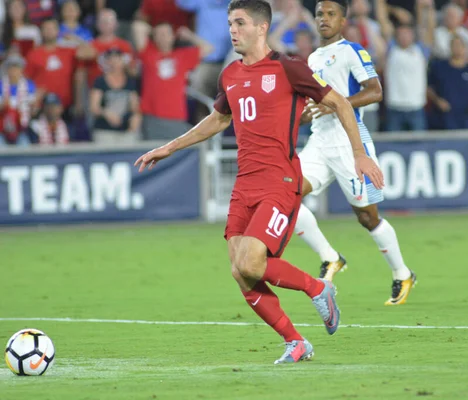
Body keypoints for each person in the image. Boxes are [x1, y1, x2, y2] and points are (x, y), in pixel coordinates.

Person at [135, 0, 383, 365]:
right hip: (244, 185)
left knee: (252, 262)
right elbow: (219, 120)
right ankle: (296, 342)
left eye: (239, 23)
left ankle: (318, 288)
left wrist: (359, 154)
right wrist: (170, 147)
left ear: (261, 27)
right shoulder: (230, 75)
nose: (232, 30)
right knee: (240, 270)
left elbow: (342, 105)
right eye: (230, 23)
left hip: (280, 180)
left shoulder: (289, 68)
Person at [291, 0, 416, 306]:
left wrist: (334, 103)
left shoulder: (352, 51)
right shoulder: (313, 58)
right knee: (285, 196)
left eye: (331, 14)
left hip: (349, 141)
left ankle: (402, 273)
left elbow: (375, 91)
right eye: (320, 14)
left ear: (343, 20)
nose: (324, 19)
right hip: (320, 142)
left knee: (366, 217)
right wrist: (307, 113)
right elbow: (314, 105)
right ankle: (330, 257)